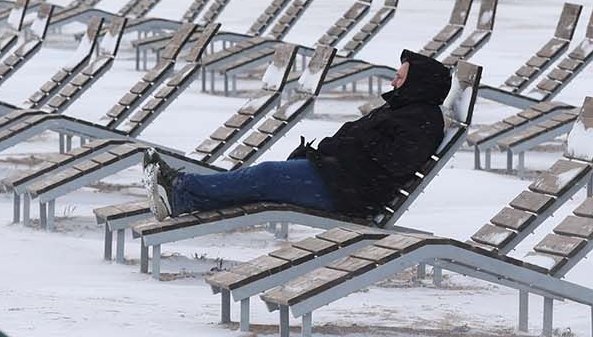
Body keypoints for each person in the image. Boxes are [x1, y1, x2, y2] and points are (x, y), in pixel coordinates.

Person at [145, 49, 452, 220]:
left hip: (349, 193)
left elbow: (395, 162)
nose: (393, 82)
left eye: (399, 77)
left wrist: (353, 142)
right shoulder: (406, 109)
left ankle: (180, 187)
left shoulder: (421, 119)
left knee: (265, 176)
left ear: (418, 83)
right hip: (339, 179)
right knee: (261, 181)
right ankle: (181, 199)